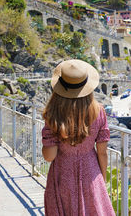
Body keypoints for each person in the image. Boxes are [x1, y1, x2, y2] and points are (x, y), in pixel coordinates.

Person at [41, 59, 115, 216]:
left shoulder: (53, 115)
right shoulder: (99, 111)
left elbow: (49, 156)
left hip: (62, 174)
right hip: (91, 172)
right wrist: (101, 179)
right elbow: (102, 152)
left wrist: (48, 135)